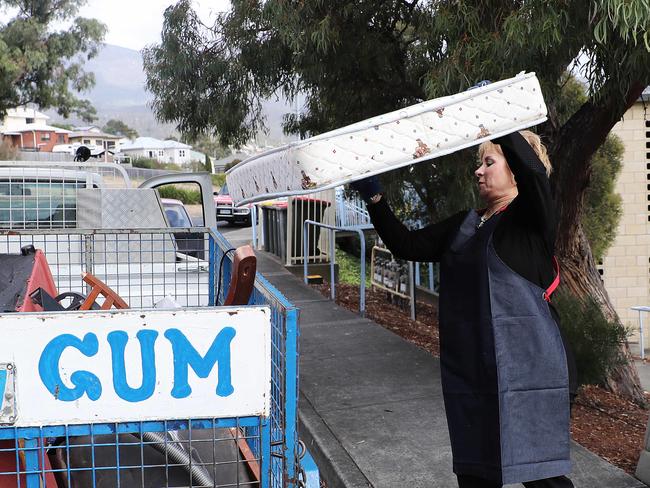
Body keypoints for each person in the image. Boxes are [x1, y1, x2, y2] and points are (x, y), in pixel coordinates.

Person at [352, 130, 577, 488]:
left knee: (540, 476)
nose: (478, 171)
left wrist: (501, 126)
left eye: (489, 162)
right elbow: (405, 244)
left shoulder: (531, 221)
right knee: (476, 474)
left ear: (515, 169)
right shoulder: (465, 224)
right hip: (473, 373)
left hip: (532, 374)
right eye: (479, 163)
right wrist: (374, 196)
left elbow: (535, 175)